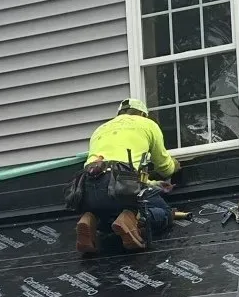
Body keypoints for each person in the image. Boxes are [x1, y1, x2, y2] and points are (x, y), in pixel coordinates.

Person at [73, 97, 179, 254]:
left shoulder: (100, 129)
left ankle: (90, 218)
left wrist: (151, 183)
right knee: (164, 212)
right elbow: (164, 168)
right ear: (143, 114)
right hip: (121, 185)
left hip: (87, 189)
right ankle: (134, 220)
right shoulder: (147, 124)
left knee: (109, 222)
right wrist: (174, 166)